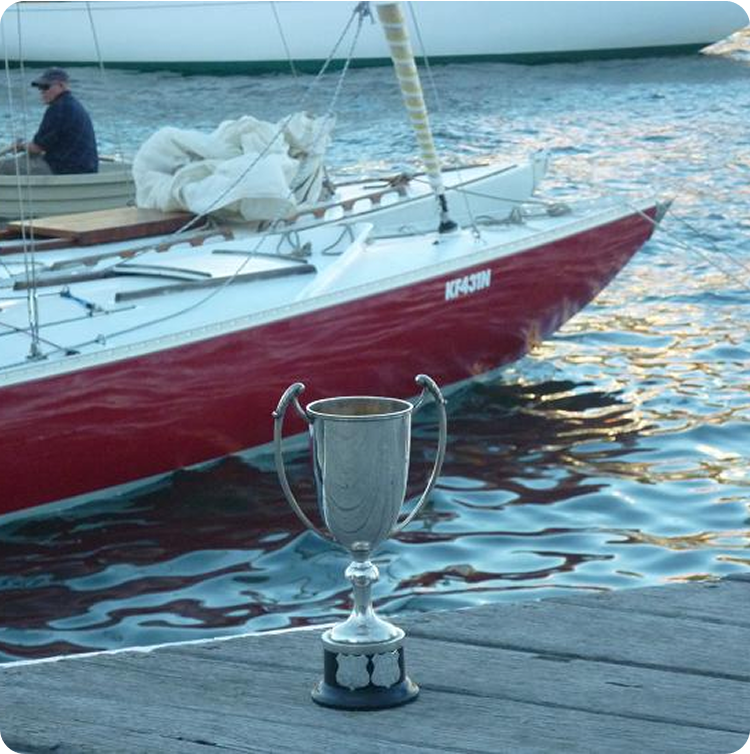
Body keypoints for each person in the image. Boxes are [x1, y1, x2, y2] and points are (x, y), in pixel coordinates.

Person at [0, 67, 98, 176]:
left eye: (46, 87)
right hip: (86, 166)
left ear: (61, 86)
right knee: (27, 158)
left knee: (4, 166)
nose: (42, 91)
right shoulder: (71, 104)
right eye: (40, 88)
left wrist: (21, 146)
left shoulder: (58, 108)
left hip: (66, 169)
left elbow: (36, 148)